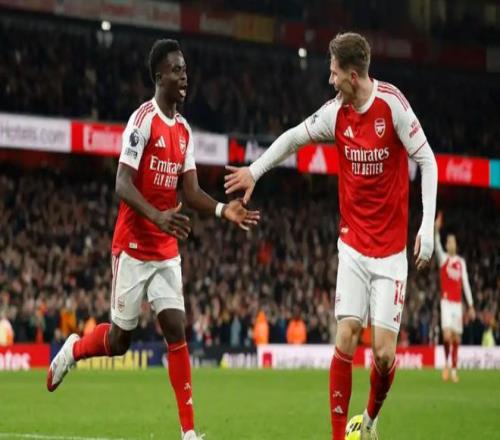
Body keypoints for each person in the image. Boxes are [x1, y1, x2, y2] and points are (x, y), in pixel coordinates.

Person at [224, 32, 438, 440]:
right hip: (353, 246)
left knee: (384, 354)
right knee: (345, 335)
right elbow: (293, 137)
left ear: (353, 76)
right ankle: (338, 437)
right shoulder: (335, 113)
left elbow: (427, 160)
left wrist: (426, 226)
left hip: (391, 253)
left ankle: (369, 421)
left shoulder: (392, 105)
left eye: (335, 73)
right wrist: (255, 170)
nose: (330, 79)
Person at [47, 39, 260, 440]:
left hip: (165, 250)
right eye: (177, 70)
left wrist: (221, 210)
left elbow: (190, 192)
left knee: (176, 329)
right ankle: (74, 349)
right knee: (119, 340)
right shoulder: (142, 120)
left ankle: (189, 432)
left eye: (186, 70)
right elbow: (121, 183)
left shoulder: (184, 130)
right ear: (159, 76)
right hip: (132, 246)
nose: (184, 77)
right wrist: (159, 215)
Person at [434, 211, 475, 383]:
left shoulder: (461, 262)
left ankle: (454, 369)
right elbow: (436, 244)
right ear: (446, 244)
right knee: (446, 336)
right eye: (448, 242)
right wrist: (436, 230)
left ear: (456, 245)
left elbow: (465, 283)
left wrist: (471, 305)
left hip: (458, 304)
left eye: (452, 242)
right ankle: (446, 364)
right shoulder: (443, 259)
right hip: (446, 302)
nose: (450, 244)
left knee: (456, 338)